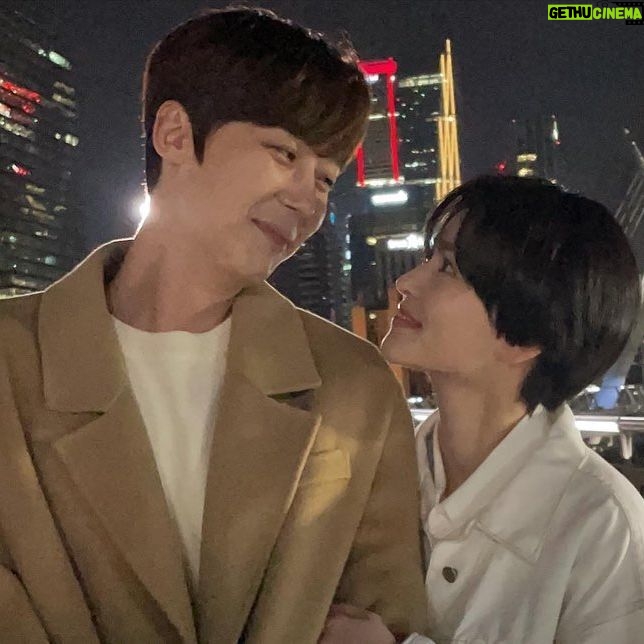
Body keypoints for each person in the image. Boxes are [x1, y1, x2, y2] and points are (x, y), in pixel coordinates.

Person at [0, 8, 428, 643]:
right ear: (175, 134)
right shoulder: (11, 360)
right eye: (285, 152)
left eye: (326, 179)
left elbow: (388, 609)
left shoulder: (353, 385)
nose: (307, 200)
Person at [320, 176, 644, 644]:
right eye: (428, 259)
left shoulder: (603, 529)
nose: (405, 282)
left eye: (448, 268)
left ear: (525, 334)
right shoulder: (371, 473)